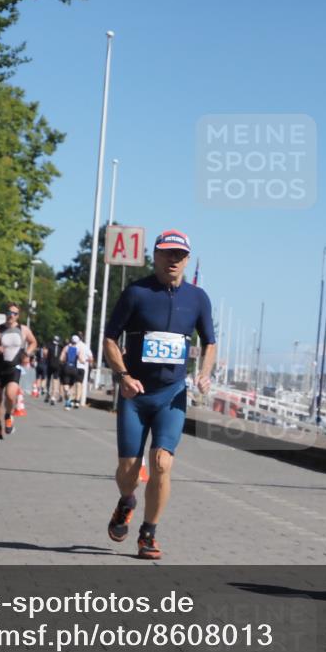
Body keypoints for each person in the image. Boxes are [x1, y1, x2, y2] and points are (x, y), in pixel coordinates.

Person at [102, 229, 216, 559]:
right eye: (167, 254)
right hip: (135, 395)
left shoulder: (198, 298)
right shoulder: (136, 293)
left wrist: (205, 374)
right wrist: (122, 376)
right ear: (155, 256)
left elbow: (209, 341)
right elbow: (110, 339)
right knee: (128, 470)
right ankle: (127, 501)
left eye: (179, 255)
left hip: (172, 394)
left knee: (162, 463)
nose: (173, 260)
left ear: (187, 259)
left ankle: (148, 533)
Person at [0, 303, 38, 439]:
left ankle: (8, 415)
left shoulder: (23, 329)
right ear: (5, 314)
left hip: (13, 368)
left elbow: (33, 342)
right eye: (9, 313)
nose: (11, 315)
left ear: (18, 316)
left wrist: (27, 353)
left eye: (14, 313)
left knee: (10, 395)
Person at [59, 335, 91, 409]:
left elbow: (61, 358)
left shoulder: (66, 348)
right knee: (72, 385)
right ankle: (69, 397)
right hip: (74, 368)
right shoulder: (78, 349)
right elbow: (81, 360)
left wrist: (64, 361)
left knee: (65, 384)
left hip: (66, 367)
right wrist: (84, 361)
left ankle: (67, 393)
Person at [46, 336, 63, 404]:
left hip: (50, 364)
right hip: (57, 365)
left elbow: (47, 356)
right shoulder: (60, 347)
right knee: (55, 380)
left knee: (49, 379)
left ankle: (48, 392)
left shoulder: (50, 346)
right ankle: (53, 396)